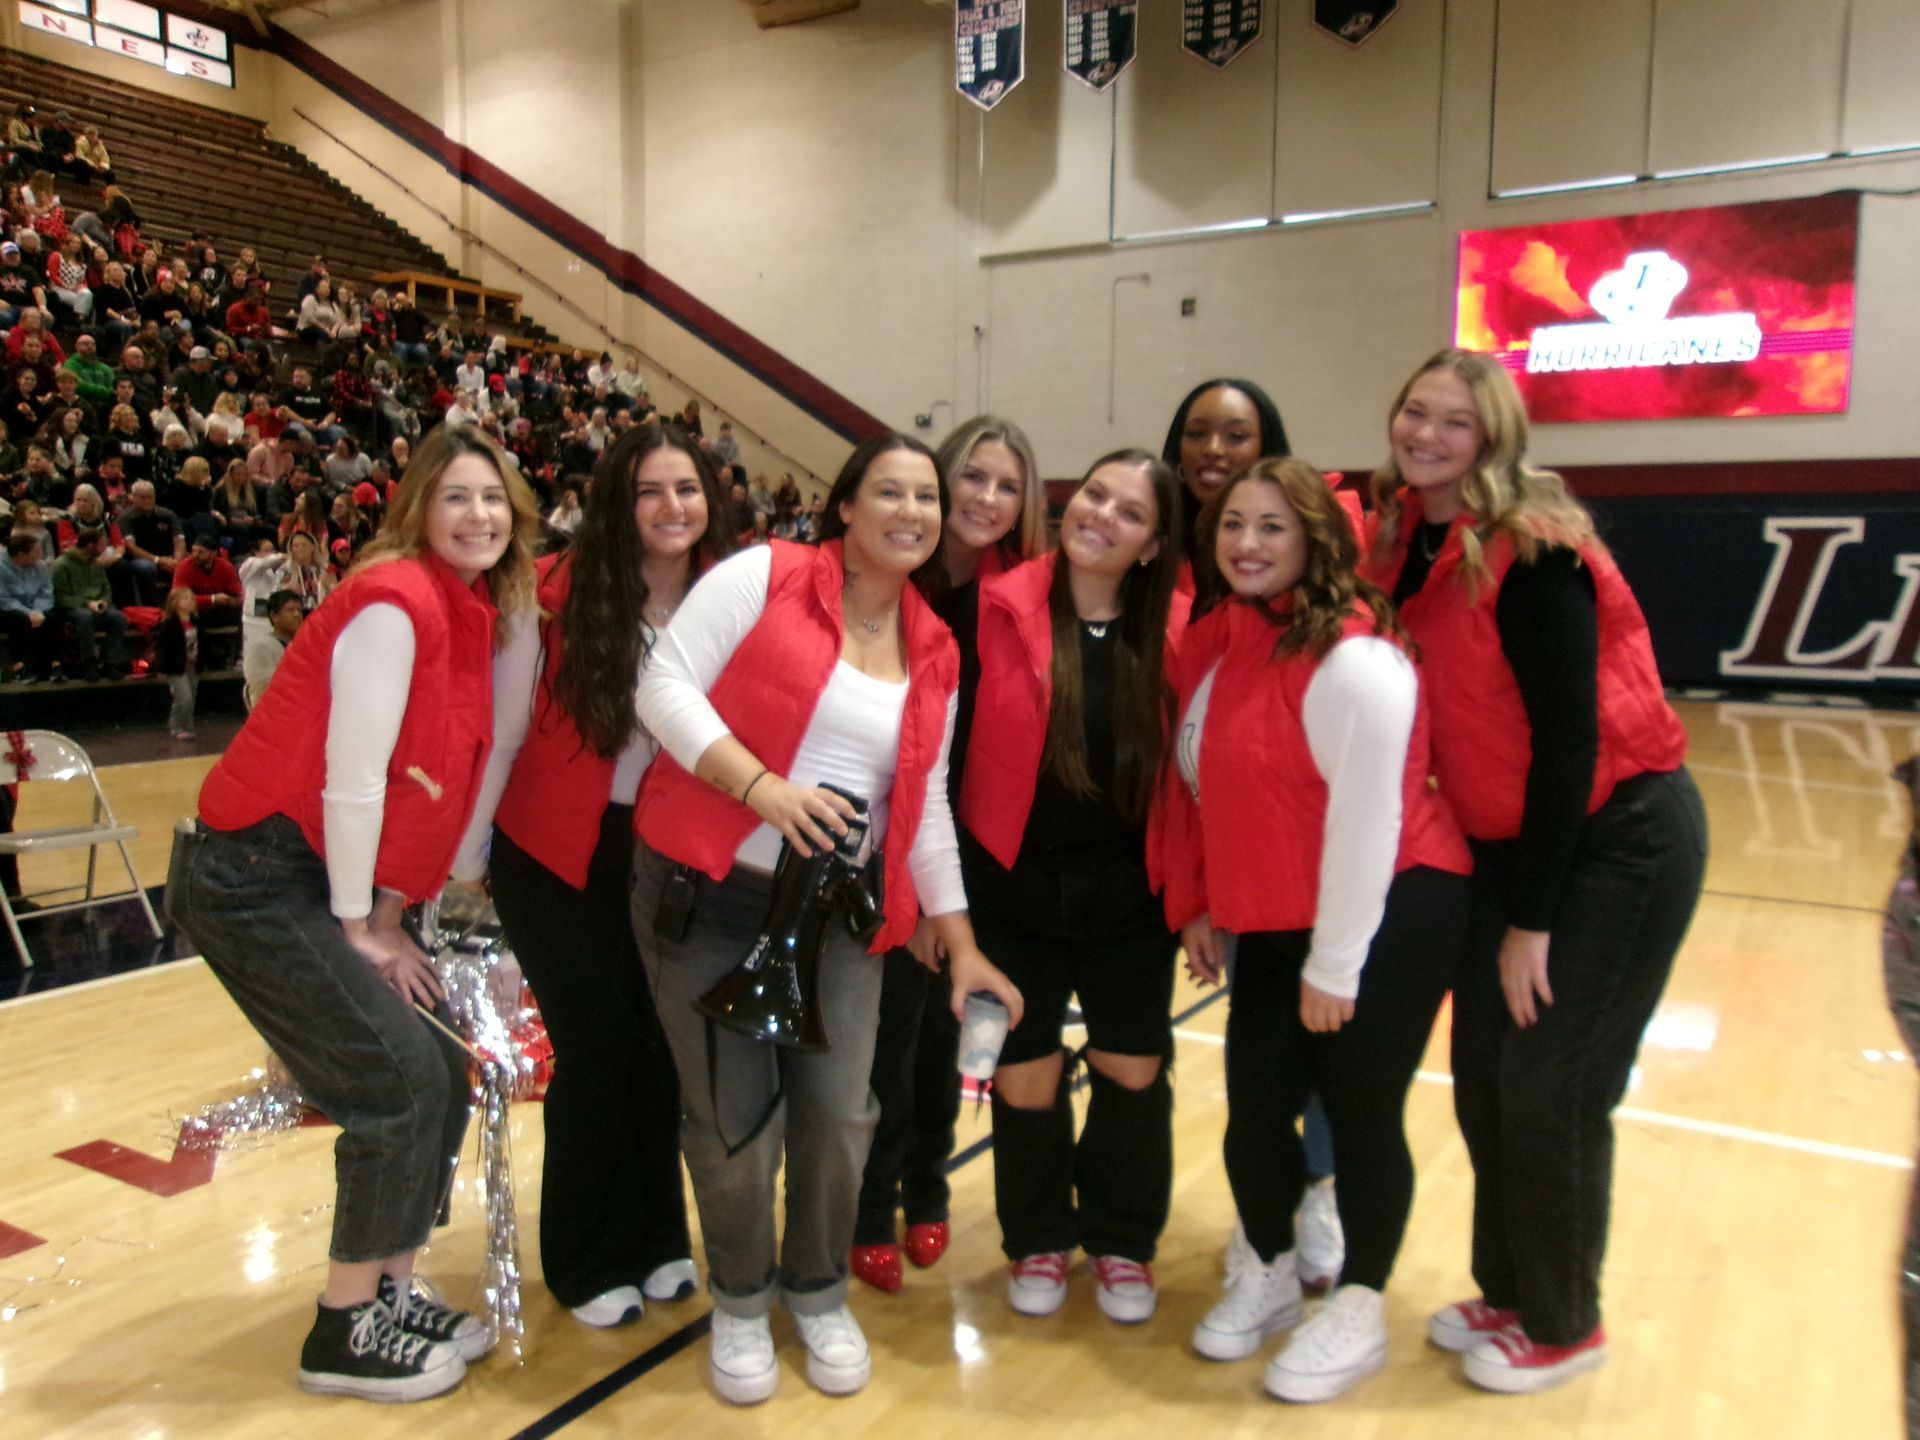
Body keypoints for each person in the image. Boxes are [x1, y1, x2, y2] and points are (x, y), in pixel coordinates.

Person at [630, 432, 1023, 1406]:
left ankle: (814, 1289)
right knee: (734, 1129)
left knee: (843, 1117)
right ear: (846, 506)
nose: (912, 511)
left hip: (841, 917)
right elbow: (660, 689)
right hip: (709, 898)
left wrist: (962, 939)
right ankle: (738, 1297)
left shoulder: (936, 645)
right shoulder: (763, 575)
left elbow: (920, 803)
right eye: (888, 491)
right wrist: (760, 787)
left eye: (925, 497)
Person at [1362, 348, 1707, 1395]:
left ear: (1494, 438)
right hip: (1508, 846)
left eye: (1455, 422)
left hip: (1615, 838)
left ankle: (1565, 1321)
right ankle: (1509, 1288)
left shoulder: (1534, 549)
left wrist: (1533, 922)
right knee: (1482, 1079)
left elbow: (1567, 746)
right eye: (1415, 410)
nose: (1426, 433)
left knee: (1551, 1082)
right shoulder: (1404, 536)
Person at [171, 426, 541, 1402]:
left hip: (336, 882)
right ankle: (343, 1328)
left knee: (445, 1068)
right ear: (418, 504)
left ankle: (392, 1288)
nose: (479, 515)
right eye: (457, 496)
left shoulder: (465, 611)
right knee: (396, 1083)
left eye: (494, 498)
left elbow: (432, 788)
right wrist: (358, 926)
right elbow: (356, 778)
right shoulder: (393, 601)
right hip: (258, 877)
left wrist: (389, 909)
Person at [1152, 459, 1473, 1400]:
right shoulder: (1225, 639)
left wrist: (1336, 967)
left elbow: (1368, 823)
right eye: (1233, 525)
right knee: (1255, 1110)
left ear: (1316, 543)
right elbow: (1208, 781)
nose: (1246, 543)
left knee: (1363, 1111)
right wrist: (1204, 898)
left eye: (1272, 528)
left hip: (1392, 907)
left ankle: (1361, 1305)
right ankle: (1272, 1269)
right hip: (1283, 909)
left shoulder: (1357, 657)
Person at [452, 427, 734, 1330]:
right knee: (601, 1043)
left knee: (661, 1048)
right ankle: (581, 1256)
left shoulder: (730, 598)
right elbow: (498, 734)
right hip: (553, 851)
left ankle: (656, 1239)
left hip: (668, 853)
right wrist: (466, 858)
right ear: (617, 500)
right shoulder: (551, 595)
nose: (671, 508)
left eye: (686, 488)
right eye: (650, 491)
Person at [960, 449, 1185, 1325]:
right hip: (1012, 888)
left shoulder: (1175, 631)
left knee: (1133, 1067)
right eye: (1094, 495)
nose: (1102, 517)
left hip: (1131, 896)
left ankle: (1123, 1239)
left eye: (1130, 513)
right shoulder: (996, 608)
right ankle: (1039, 1235)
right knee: (1023, 1073)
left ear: (1154, 544)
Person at [851, 415, 1046, 1294]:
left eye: (1007, 487)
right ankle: (867, 1202)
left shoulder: (1032, 593)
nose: (986, 500)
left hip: (971, 848)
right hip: (880, 832)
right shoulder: (887, 578)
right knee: (883, 1039)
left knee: (944, 1036)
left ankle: (928, 1186)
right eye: (971, 479)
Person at [49, 527, 127, 678]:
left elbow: (106, 589)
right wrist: (86, 603)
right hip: (70, 608)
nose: (105, 549)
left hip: (95, 606)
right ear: (91, 546)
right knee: (85, 617)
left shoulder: (96, 564)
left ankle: (107, 662)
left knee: (118, 618)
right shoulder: (61, 565)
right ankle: (88, 663)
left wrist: (103, 602)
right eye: (102, 545)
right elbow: (59, 596)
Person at [0, 530, 57, 682]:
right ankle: (19, 667)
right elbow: (3, 598)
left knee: (51, 618)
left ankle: (51, 667)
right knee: (18, 620)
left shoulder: (40, 567)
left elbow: (46, 592)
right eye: (36, 552)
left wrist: (37, 611)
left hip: (34, 607)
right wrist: (28, 612)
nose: (40, 555)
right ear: (21, 555)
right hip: (8, 609)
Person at [242, 587, 303, 709]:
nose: (297, 614)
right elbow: (260, 687)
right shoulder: (260, 648)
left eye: (299, 610)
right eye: (290, 610)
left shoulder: (306, 645)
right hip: (277, 714)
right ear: (274, 616)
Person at [155, 586, 202, 740]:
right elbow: (163, 647)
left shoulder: (196, 622)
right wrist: (163, 666)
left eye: (191, 598)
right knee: (183, 697)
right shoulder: (169, 624)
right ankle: (177, 727)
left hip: (193, 665)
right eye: (185, 598)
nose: (190, 602)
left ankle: (188, 726)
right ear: (174, 603)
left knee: (192, 697)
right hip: (176, 667)